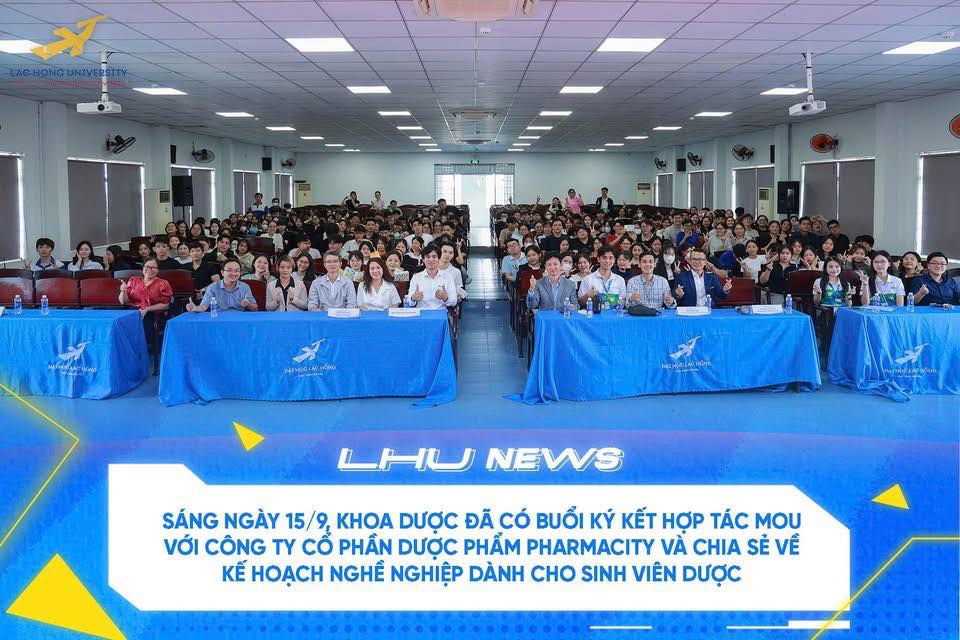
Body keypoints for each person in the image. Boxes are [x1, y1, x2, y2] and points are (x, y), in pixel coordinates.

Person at [119, 257, 173, 345]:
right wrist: (123, 291)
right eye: (147, 266)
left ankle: (142, 349)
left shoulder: (163, 283)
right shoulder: (133, 280)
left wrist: (147, 309)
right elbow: (123, 302)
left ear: (158, 270)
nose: (149, 270)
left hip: (153, 313)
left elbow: (166, 305)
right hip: (133, 311)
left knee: (144, 326)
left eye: (153, 267)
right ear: (143, 267)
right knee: (121, 324)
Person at [186, 259, 257, 312]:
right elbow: (204, 306)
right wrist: (195, 308)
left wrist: (248, 304)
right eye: (229, 270)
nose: (233, 273)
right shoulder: (213, 287)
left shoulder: (245, 287)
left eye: (237, 270)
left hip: (239, 319)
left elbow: (255, 308)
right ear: (222, 272)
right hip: (219, 318)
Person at [405, 244, 457, 309]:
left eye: (434, 257)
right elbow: (409, 302)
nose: (431, 260)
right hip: (421, 312)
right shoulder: (416, 277)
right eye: (428, 257)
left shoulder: (447, 277)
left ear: (439, 259)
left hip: (440, 313)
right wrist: (413, 298)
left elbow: (454, 302)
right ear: (423, 260)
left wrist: (445, 298)